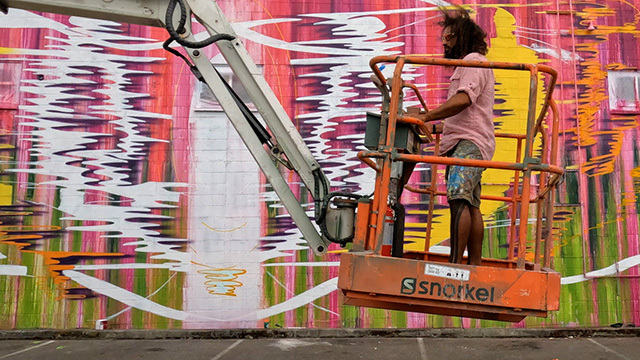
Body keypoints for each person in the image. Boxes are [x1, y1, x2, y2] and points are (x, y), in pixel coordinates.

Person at [420, 7, 495, 265]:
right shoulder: (471, 64)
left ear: (462, 37)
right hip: (471, 139)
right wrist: (438, 127)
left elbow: (464, 100)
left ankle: (454, 265)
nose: (444, 42)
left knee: (458, 197)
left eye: (449, 37)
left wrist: (427, 117)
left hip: (469, 143)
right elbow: (465, 112)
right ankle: (473, 265)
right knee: (471, 203)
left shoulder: (472, 62)